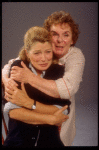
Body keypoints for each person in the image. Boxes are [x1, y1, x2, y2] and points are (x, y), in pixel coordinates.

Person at [2, 11, 85, 146]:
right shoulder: (23, 63)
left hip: (58, 130)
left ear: (72, 39)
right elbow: (11, 65)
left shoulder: (72, 59)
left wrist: (28, 99)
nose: (59, 40)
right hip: (22, 136)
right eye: (54, 34)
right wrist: (6, 80)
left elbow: (65, 93)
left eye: (66, 35)